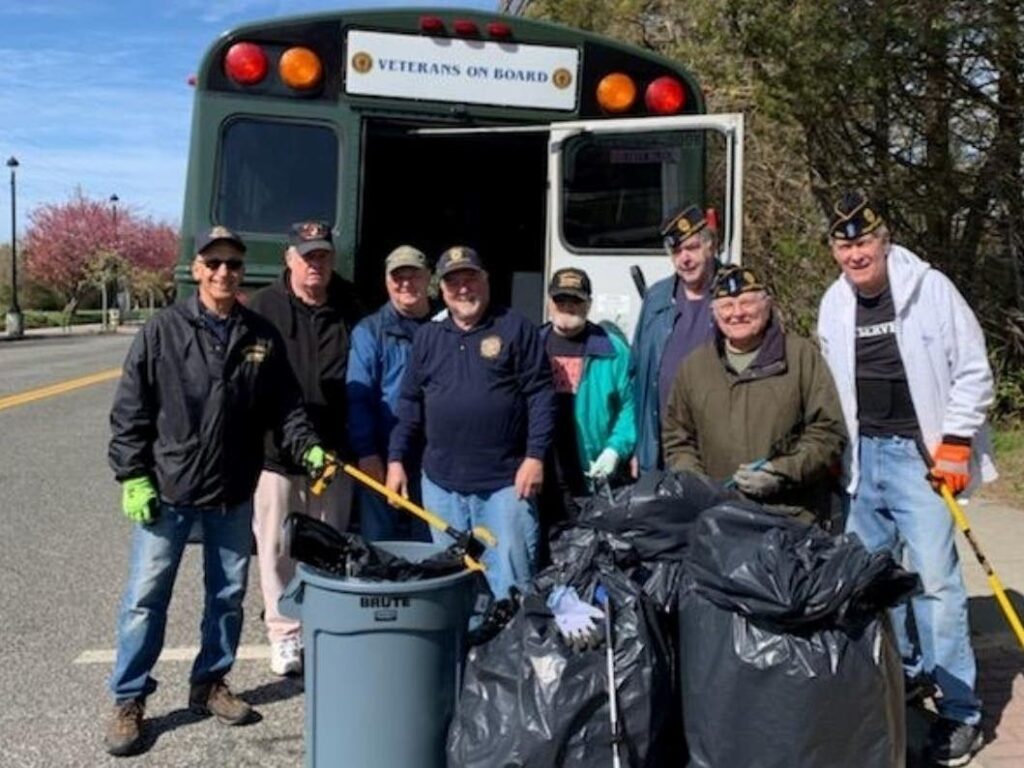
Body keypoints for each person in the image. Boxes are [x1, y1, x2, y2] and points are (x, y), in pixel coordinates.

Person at [105, 226, 327, 757]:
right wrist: (132, 474)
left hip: (233, 490)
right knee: (144, 600)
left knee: (226, 598)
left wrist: (308, 447)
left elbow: (287, 408)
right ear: (197, 269)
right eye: (213, 263)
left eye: (232, 263)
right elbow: (131, 409)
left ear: (241, 271)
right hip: (169, 491)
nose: (223, 271)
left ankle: (210, 683)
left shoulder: (260, 335)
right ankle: (128, 698)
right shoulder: (163, 330)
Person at [816, 191, 996, 767]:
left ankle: (961, 711)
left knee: (938, 584)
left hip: (921, 457)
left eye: (863, 241)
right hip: (863, 460)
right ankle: (905, 678)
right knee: (876, 582)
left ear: (884, 239)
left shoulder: (931, 289)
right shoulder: (833, 304)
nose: (855, 254)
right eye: (844, 245)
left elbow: (973, 370)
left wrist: (957, 441)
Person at [386, 246, 555, 599]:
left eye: (470, 278)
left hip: (505, 485)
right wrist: (397, 459)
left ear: (486, 280)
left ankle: (515, 652)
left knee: (511, 584)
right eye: (453, 282)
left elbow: (540, 395)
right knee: (453, 585)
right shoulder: (428, 337)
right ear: (441, 289)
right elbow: (410, 402)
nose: (463, 289)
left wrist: (535, 456)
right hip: (441, 488)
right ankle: (465, 653)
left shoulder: (515, 328)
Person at [247, 220, 364, 677]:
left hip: (335, 453)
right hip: (277, 452)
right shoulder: (263, 308)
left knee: (327, 544)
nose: (315, 264)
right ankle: (284, 634)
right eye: (307, 256)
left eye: (323, 256)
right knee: (277, 546)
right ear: (289, 259)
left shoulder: (350, 305)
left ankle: (322, 626)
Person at [662, 264, 846, 521]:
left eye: (747, 302)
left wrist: (780, 472)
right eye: (726, 305)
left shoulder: (801, 356)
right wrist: (701, 487)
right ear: (713, 312)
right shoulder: (694, 366)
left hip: (790, 516)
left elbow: (828, 431)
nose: (737, 313)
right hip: (717, 518)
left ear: (767, 304)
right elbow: (677, 437)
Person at [346, 245, 433, 542]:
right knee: (381, 546)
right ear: (387, 282)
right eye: (398, 277)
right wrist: (367, 452)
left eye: (414, 276)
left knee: (433, 546)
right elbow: (358, 398)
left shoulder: (446, 326)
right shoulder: (369, 332)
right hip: (382, 453)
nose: (406, 284)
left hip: (435, 457)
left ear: (429, 278)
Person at [538, 267, 636, 528]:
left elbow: (630, 409)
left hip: (591, 475)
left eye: (576, 300)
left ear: (589, 304)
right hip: (542, 472)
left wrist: (615, 449)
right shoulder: (532, 345)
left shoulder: (613, 350)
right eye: (561, 300)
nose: (568, 307)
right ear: (549, 303)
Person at [631, 203, 719, 473]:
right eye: (677, 251)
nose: (685, 259)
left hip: (716, 445)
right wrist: (639, 446)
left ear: (710, 246)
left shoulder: (735, 295)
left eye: (692, 248)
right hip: (660, 448)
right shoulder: (656, 298)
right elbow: (637, 374)